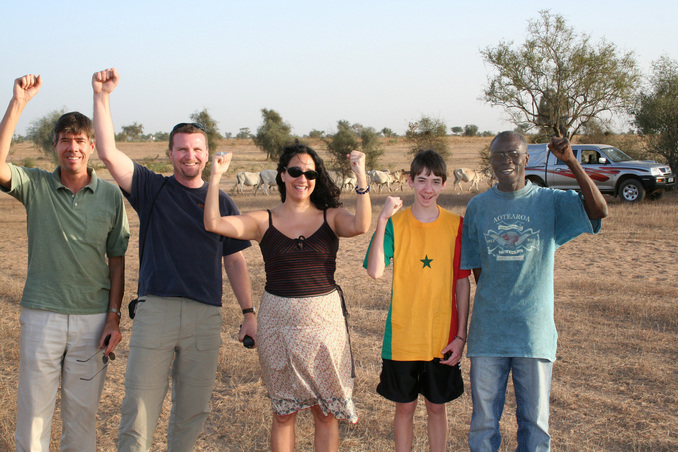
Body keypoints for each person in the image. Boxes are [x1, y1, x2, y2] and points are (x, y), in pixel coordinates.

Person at [92, 68, 254, 452]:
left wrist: (249, 311)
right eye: (182, 149)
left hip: (205, 316)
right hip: (156, 312)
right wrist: (102, 96)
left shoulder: (222, 201)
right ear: (170, 154)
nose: (190, 155)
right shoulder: (152, 189)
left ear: (208, 153)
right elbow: (108, 153)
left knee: (192, 411)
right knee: (139, 406)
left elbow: (234, 262)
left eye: (197, 149)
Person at [204, 143, 371, 451]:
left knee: (325, 413)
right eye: (295, 171)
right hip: (276, 326)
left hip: (325, 325)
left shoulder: (331, 217)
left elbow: (361, 225)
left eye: (310, 173)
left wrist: (360, 175)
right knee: (283, 413)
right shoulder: (262, 220)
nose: (302, 178)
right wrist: (215, 177)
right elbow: (213, 224)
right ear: (282, 176)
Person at [0, 74, 129, 451]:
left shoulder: (109, 196)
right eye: (64, 140)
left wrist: (113, 316)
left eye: (79, 141)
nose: (72, 147)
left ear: (91, 146)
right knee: (34, 417)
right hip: (42, 314)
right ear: (54, 146)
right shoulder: (35, 185)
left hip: (92, 320)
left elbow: (117, 260)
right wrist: (18, 103)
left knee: (81, 418)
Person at [461, 131, 608, 451]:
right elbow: (476, 267)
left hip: (533, 332)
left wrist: (571, 161)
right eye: (498, 155)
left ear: (527, 159)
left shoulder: (550, 201)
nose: (506, 161)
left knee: (535, 425)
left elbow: (598, 210)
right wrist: (499, 295)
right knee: (483, 424)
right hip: (488, 333)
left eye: (513, 154)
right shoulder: (478, 207)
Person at [363, 149, 471, 452]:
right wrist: (383, 218)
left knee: (437, 408)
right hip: (402, 337)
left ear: (444, 185)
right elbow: (374, 271)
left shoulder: (456, 225)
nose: (427, 189)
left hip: (442, 336)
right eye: (421, 180)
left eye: (435, 181)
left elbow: (462, 284)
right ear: (410, 181)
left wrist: (461, 336)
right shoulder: (396, 224)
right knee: (405, 409)